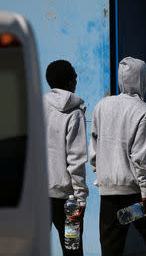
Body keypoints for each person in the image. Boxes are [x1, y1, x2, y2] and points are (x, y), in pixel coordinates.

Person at [89, 57, 146, 256]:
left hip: (108, 191)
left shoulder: (101, 106)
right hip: (135, 191)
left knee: (110, 248)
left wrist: (103, 175)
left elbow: (95, 148)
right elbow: (140, 158)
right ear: (142, 80)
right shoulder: (144, 111)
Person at [44, 60, 88, 256]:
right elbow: (76, 159)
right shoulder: (74, 113)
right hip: (68, 202)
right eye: (75, 77)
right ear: (70, 82)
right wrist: (80, 200)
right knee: (72, 250)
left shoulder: (35, 107)